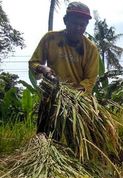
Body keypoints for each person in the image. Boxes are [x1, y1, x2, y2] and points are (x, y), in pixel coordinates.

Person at [29, 1, 99, 135]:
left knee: (74, 138)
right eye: (74, 23)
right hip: (50, 97)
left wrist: (70, 94)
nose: (78, 28)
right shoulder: (50, 38)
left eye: (82, 25)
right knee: (45, 135)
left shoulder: (90, 49)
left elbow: (90, 79)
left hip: (76, 102)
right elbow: (34, 62)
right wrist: (43, 69)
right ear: (66, 20)